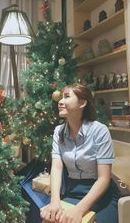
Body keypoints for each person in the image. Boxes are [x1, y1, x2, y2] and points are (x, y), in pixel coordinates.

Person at [40, 83, 120, 223]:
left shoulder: (99, 130)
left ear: (82, 103)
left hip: (101, 195)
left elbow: (104, 179)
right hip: (74, 192)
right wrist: (55, 201)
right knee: (49, 219)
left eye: (67, 97)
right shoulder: (59, 131)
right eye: (61, 97)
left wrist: (78, 210)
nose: (60, 102)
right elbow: (57, 168)